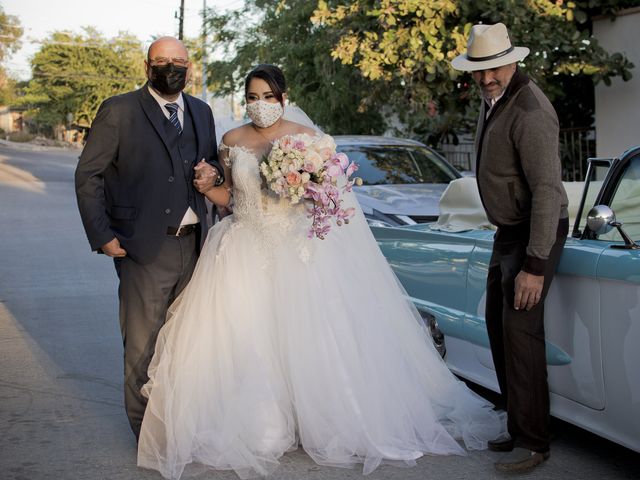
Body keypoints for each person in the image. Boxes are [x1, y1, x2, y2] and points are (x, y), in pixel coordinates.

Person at [136, 64, 505, 480]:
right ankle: (263, 422)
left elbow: (329, 200)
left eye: (268, 97)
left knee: (308, 339)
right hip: (244, 246)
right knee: (247, 339)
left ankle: (322, 418)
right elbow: (232, 200)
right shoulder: (232, 140)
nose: (260, 106)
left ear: (283, 97)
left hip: (297, 251)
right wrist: (208, 188)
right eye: (253, 98)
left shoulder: (309, 140)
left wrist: (300, 188)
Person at [75, 36, 224, 441]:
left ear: (189, 67)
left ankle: (177, 421)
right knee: (143, 347)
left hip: (195, 245)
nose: (170, 67)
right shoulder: (119, 110)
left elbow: (211, 167)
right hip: (143, 246)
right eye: (162, 61)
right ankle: (147, 436)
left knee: (186, 343)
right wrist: (102, 234)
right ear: (147, 67)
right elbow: (88, 176)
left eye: (178, 61)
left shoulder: (201, 111)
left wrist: (215, 175)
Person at [451, 23, 569, 473]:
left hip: (534, 233)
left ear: (512, 61)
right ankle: (522, 426)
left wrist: (535, 265)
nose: (485, 79)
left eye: (493, 69)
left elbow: (547, 191)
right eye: (478, 71)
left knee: (521, 332)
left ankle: (535, 442)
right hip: (509, 232)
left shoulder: (531, 109)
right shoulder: (496, 99)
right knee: (498, 328)